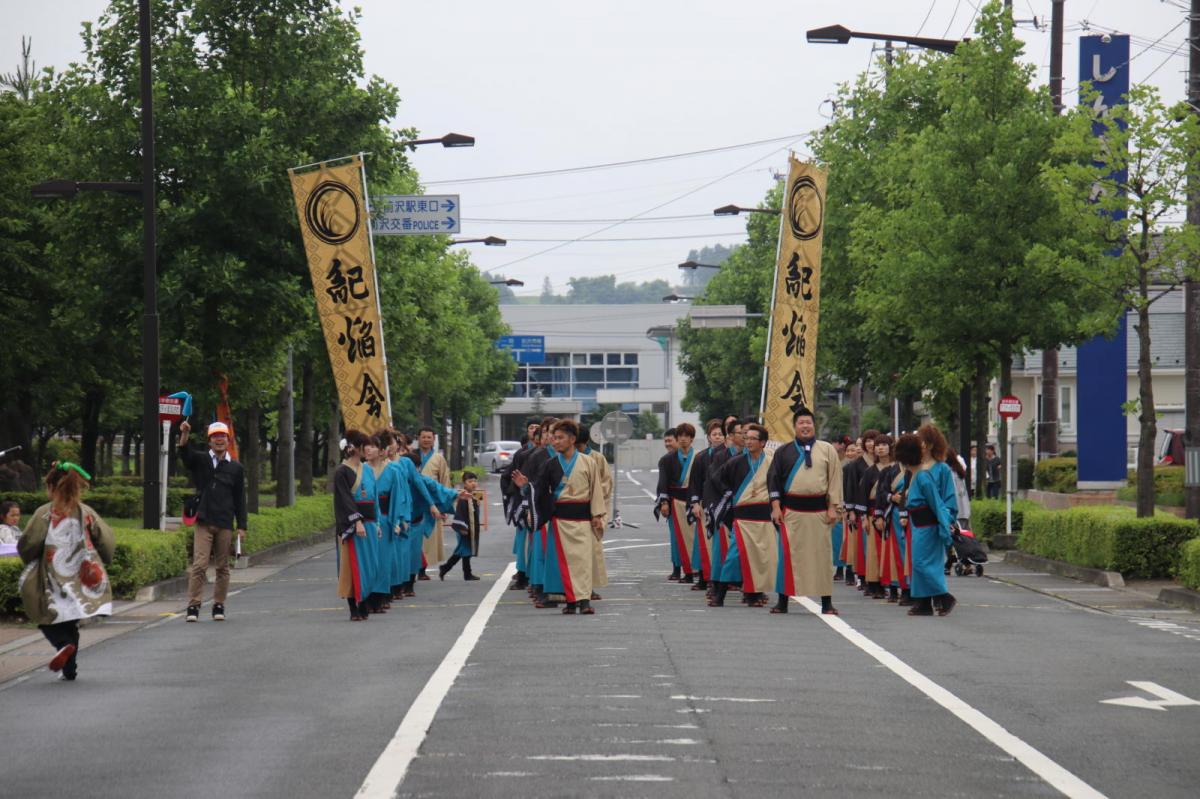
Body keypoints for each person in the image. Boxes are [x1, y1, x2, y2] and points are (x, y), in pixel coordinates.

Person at [18, 462, 115, 680]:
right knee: (71, 621)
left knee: (45, 616)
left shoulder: (45, 513)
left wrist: (28, 556)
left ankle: (63, 645)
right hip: (82, 576)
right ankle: (70, 669)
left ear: (51, 487)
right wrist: (105, 559)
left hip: (52, 576)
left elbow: (29, 543)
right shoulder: (86, 512)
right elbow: (106, 539)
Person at [515, 419, 606, 614]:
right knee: (561, 562)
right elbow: (539, 490)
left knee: (582, 562)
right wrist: (525, 487)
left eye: (560, 438)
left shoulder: (588, 462)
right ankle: (571, 602)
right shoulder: (550, 464)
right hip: (559, 521)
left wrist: (597, 514)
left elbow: (596, 490)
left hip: (582, 520)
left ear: (572, 439)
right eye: (554, 438)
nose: (555, 442)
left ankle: (584, 601)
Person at [767, 408, 842, 615]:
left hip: (819, 512)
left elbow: (835, 480)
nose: (805, 426)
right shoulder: (783, 452)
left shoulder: (827, 449)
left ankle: (826, 602)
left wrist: (833, 507)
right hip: (791, 512)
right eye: (801, 423)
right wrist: (775, 507)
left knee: (822, 557)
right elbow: (773, 480)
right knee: (787, 557)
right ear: (795, 426)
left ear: (814, 425)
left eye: (808, 422)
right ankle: (783, 601)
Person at [177, 420, 247, 623]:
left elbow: (240, 497)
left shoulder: (235, 467)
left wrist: (242, 525)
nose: (219, 440)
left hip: (225, 521)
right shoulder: (200, 460)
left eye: (222, 436)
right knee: (199, 564)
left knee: (222, 566)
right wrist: (185, 434)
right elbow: (184, 454)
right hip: (204, 520)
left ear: (228, 440)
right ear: (209, 441)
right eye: (215, 437)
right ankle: (193, 605)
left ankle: (219, 604)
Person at [709, 422, 776, 608]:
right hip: (742, 517)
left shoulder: (772, 461)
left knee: (760, 557)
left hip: (763, 516)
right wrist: (729, 493)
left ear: (763, 442)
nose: (748, 442)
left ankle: (753, 595)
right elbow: (716, 478)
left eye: (753, 438)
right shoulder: (736, 462)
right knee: (733, 556)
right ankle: (719, 594)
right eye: (746, 438)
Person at [895, 432, 957, 617]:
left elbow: (936, 504)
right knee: (918, 563)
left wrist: (946, 526)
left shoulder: (922, 476)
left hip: (927, 526)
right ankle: (923, 603)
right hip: (919, 525)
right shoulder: (914, 474)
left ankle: (944, 596)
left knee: (922, 563)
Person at [657, 422, 700, 585]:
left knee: (695, 538)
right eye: (680, 436)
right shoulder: (667, 459)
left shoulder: (699, 457)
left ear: (692, 438)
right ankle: (683, 571)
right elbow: (663, 483)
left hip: (694, 502)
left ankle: (696, 569)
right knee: (678, 538)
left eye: (687, 436)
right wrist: (664, 502)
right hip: (675, 502)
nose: (683, 439)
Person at [500, 419, 541, 590]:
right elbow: (510, 475)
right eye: (531, 427)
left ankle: (534, 576)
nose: (535, 431)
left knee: (537, 544)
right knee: (525, 541)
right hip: (525, 501)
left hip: (540, 500)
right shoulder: (522, 453)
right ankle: (523, 574)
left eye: (538, 429)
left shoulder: (549, 454)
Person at [417, 426, 453, 578]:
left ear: (434, 439)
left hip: (433, 504)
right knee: (415, 538)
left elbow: (445, 481)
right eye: (423, 437)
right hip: (416, 503)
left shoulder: (439, 458)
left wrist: (445, 505)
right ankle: (415, 568)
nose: (426, 440)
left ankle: (422, 569)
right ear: (418, 438)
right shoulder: (410, 457)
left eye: (429, 437)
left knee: (429, 539)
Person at [440, 472, 482, 580]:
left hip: (471, 527)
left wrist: (477, 502)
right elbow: (460, 513)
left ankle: (465, 573)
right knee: (463, 551)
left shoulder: (476, 494)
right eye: (470, 481)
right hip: (464, 527)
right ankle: (446, 568)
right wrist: (462, 528)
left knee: (465, 551)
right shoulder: (463, 495)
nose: (473, 484)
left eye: (475, 481)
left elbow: (477, 509)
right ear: (464, 484)